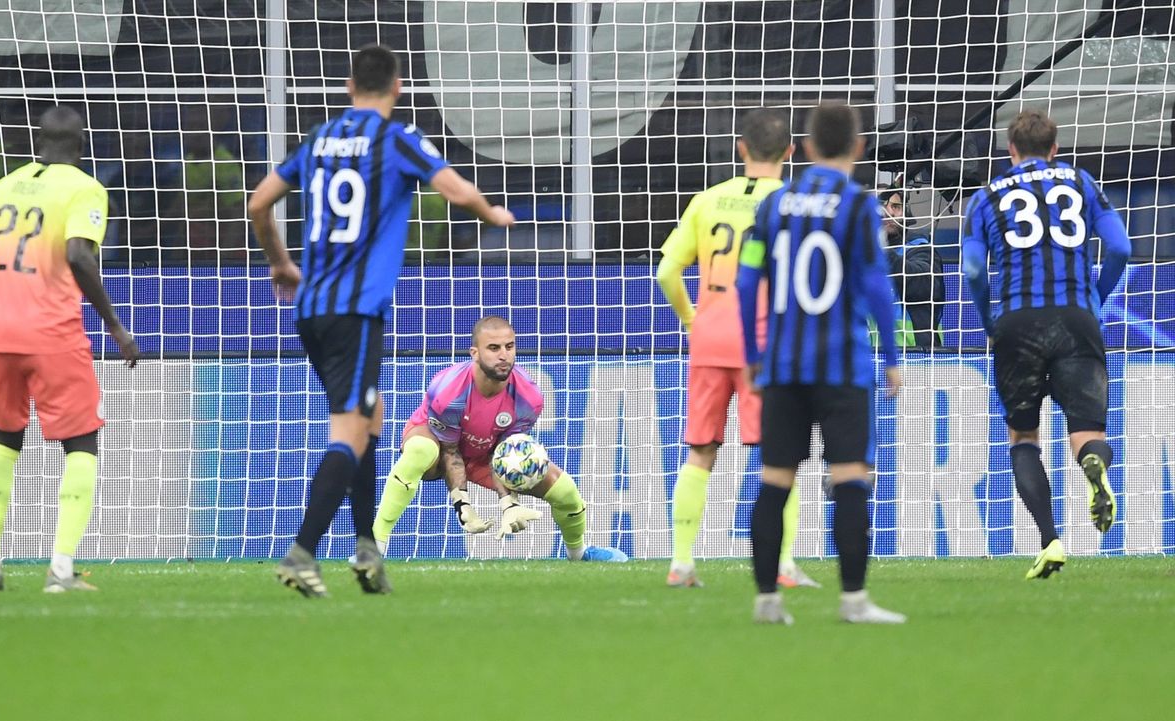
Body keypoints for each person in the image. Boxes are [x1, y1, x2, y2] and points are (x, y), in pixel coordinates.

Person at [247, 44, 514, 598]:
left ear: (350, 86)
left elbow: (258, 202)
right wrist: (492, 212)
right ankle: (302, 553)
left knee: (371, 416)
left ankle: (367, 549)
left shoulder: (319, 138)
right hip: (356, 313)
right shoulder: (397, 138)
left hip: (311, 309)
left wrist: (279, 262)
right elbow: (455, 189)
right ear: (396, 89)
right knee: (349, 427)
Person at [0, 105, 140, 593]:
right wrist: (117, 329)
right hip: (53, 331)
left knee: (4, 438)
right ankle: (60, 570)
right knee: (81, 443)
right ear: (81, 144)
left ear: (39, 142)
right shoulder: (83, 188)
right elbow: (80, 254)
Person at [736, 102, 906, 625]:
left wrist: (752, 357)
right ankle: (853, 601)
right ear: (858, 148)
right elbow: (878, 286)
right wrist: (894, 355)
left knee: (774, 480)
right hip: (843, 366)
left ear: (806, 149)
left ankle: (767, 601)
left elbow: (746, 284)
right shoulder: (859, 207)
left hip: (783, 367)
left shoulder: (775, 205)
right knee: (850, 478)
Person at [961, 109, 1131, 580]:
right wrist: (1096, 295)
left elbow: (974, 270)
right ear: (1054, 148)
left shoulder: (986, 196)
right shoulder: (1081, 182)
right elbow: (1120, 248)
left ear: (1010, 150)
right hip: (1078, 319)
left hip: (1018, 322)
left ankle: (1050, 539)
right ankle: (1092, 463)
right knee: (1086, 431)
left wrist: (987, 319)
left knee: (1023, 438)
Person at [656, 107, 818, 589]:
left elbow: (666, 272)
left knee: (699, 452)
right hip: (764, 345)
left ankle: (681, 563)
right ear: (791, 153)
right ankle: (784, 566)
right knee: (777, 455)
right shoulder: (794, 202)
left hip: (709, 340)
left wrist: (691, 318)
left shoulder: (707, 200)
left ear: (742, 149)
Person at [373, 316, 628, 562]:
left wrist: (509, 504)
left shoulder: (529, 398)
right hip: (441, 448)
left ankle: (580, 553)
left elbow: (506, 454)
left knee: (566, 492)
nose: (504, 355)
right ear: (475, 353)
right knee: (420, 450)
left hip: (487, 453)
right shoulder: (448, 392)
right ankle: (374, 547)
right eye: (493, 348)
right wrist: (463, 505)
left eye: (509, 346)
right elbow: (451, 451)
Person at [878, 182, 944, 348]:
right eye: (881, 206)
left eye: (896, 206)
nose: (889, 212)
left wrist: (882, 250)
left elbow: (924, 285)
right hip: (869, 356)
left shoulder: (920, 246)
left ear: (905, 211)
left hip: (916, 356)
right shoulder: (858, 251)